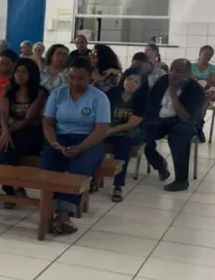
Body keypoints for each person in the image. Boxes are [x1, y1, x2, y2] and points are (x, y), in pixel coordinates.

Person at [41, 57, 111, 234]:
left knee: (79, 167)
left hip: (89, 140)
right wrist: (54, 143)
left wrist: (80, 147)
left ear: (90, 78)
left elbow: (101, 129)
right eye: (71, 77)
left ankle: (64, 214)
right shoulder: (58, 94)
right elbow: (48, 123)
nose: (75, 82)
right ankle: (50, 206)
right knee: (49, 163)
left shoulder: (99, 98)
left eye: (80, 78)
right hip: (61, 138)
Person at [143, 59, 205, 192]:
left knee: (179, 134)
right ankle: (159, 164)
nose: (173, 74)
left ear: (188, 74)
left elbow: (186, 117)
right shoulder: (162, 81)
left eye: (178, 71)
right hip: (161, 119)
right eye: (172, 69)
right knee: (142, 131)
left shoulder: (196, 90)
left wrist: (172, 91)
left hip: (184, 122)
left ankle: (181, 180)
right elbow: (152, 105)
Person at [0, 58, 47, 205]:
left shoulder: (39, 92)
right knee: (5, 150)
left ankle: (12, 190)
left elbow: (27, 120)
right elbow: (3, 114)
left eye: (23, 71)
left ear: (32, 73)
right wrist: (4, 131)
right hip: (12, 132)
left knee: (6, 149)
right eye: (17, 71)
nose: (19, 75)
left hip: (33, 133)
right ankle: (14, 189)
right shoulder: (8, 89)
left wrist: (5, 133)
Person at [105, 67, 149, 202]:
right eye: (129, 79)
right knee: (95, 142)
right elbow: (102, 114)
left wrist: (110, 131)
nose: (131, 83)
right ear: (123, 79)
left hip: (132, 131)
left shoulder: (142, 98)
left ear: (141, 85)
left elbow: (133, 123)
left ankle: (118, 185)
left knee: (123, 142)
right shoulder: (113, 93)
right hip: (110, 128)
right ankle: (93, 178)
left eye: (136, 82)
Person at [192, 45, 215, 141]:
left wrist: (200, 80)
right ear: (200, 54)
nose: (208, 57)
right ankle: (197, 128)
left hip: (207, 93)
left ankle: (197, 127)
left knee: (204, 99)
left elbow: (212, 82)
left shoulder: (213, 68)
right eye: (205, 54)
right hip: (193, 92)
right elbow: (190, 80)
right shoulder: (191, 66)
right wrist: (204, 80)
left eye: (210, 55)